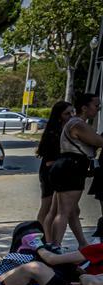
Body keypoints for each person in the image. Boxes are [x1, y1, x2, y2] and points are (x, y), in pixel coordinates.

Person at [48, 92, 103, 247]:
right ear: (84, 108)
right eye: (96, 106)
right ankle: (55, 247)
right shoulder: (78, 124)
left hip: (67, 166)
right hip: (71, 167)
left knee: (72, 211)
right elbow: (99, 141)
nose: (98, 109)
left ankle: (82, 244)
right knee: (64, 212)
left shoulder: (75, 123)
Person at [36, 102, 73, 229]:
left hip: (60, 172)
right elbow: (49, 161)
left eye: (72, 113)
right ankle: (40, 235)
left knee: (58, 209)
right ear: (59, 115)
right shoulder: (53, 133)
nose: (70, 116)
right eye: (67, 113)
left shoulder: (67, 130)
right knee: (47, 206)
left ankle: (50, 238)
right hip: (49, 172)